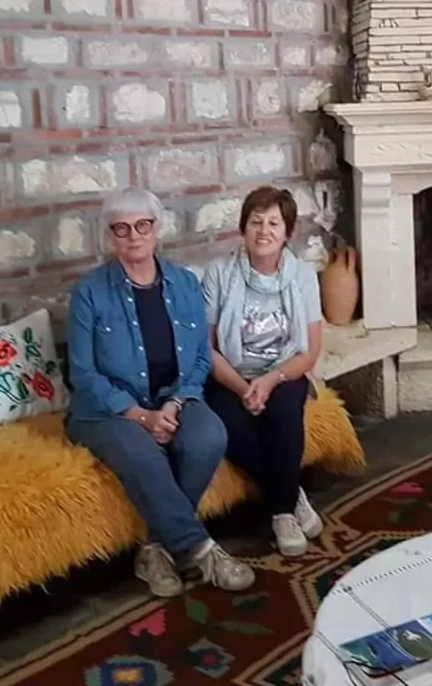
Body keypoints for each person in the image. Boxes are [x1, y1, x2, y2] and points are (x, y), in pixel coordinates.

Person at [65, 187, 256, 598]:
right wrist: (140, 416)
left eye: (142, 225)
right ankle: (201, 550)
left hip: (172, 397)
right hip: (104, 411)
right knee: (143, 451)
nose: (133, 236)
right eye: (122, 228)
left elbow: (200, 358)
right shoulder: (89, 293)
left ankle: (154, 549)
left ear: (157, 229)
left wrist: (174, 402)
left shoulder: (185, 284)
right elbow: (82, 374)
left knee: (208, 436)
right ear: (110, 236)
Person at [201, 186, 325, 557]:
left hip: (283, 371)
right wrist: (244, 389)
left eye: (274, 223)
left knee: (285, 412)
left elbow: (309, 351)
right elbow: (206, 349)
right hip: (229, 374)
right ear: (243, 228)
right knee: (232, 427)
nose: (264, 231)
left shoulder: (303, 276)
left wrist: (270, 381)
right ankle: (289, 494)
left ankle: (281, 514)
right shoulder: (219, 274)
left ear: (288, 232)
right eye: (256, 222)